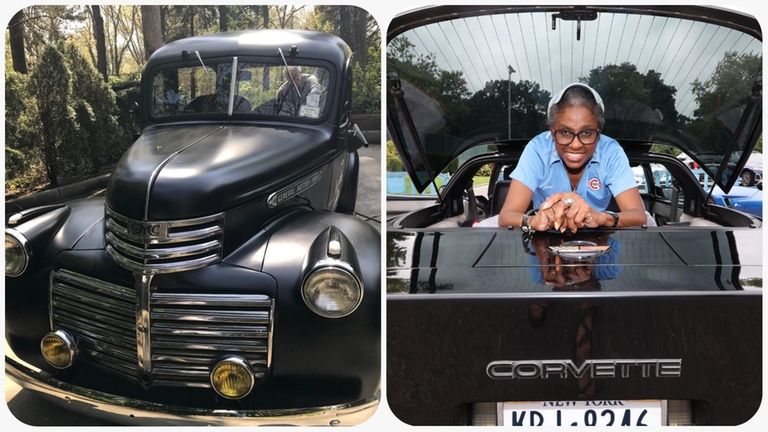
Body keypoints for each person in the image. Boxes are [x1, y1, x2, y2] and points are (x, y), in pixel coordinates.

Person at [498, 82, 646, 232]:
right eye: (565, 132)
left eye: (587, 133)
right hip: (542, 242)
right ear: (552, 131)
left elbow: (639, 216)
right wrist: (533, 220)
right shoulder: (537, 149)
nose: (575, 145)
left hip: (598, 241)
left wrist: (602, 218)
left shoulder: (611, 151)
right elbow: (506, 216)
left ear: (599, 132)